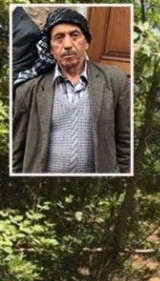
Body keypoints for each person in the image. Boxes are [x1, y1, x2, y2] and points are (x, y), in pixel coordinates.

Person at [12, 8, 131, 174]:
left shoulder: (115, 81)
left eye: (74, 35)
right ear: (50, 50)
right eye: (59, 38)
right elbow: (16, 150)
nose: (67, 45)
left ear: (86, 42)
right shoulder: (28, 91)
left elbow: (125, 140)